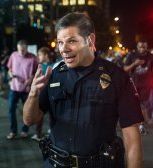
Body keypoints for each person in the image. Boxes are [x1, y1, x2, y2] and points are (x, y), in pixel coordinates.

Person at [23, 12, 143, 168]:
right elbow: (29, 120)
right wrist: (32, 95)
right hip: (55, 164)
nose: (63, 49)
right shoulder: (53, 75)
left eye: (71, 41)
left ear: (90, 40)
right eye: (60, 42)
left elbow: (132, 138)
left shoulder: (117, 77)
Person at [6, 40, 38, 139]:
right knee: (11, 110)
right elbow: (9, 69)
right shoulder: (13, 55)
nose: (21, 52)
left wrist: (30, 79)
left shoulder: (32, 57)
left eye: (23, 50)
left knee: (27, 111)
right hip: (14, 87)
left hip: (26, 89)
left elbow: (35, 72)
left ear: (27, 48)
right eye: (19, 50)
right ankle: (13, 131)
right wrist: (11, 76)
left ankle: (25, 130)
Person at [124, 41, 153, 134]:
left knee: (144, 105)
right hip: (134, 84)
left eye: (144, 46)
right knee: (135, 105)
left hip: (147, 85)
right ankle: (139, 123)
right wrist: (135, 64)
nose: (142, 48)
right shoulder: (132, 55)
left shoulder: (151, 56)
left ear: (146, 46)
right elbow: (125, 69)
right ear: (137, 47)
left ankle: (141, 124)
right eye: (140, 46)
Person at [31, 47, 53, 142]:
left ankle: (52, 131)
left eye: (39, 55)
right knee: (39, 113)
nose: (38, 57)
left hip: (52, 93)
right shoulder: (39, 66)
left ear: (46, 55)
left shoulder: (54, 65)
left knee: (53, 114)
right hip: (42, 93)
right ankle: (38, 133)